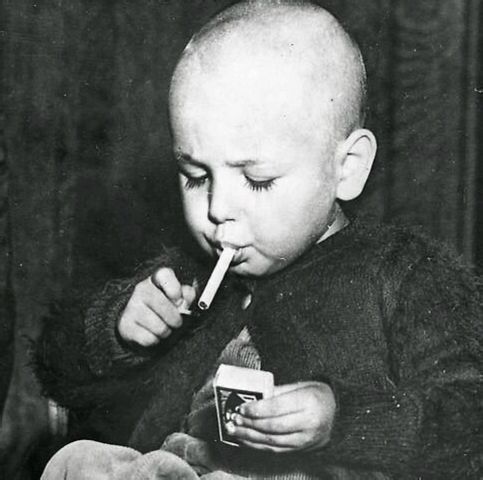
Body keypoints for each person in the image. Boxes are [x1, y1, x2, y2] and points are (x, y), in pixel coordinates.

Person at [37, 1, 483, 479]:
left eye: (257, 180)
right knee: (78, 461)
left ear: (347, 168)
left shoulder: (405, 273)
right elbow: (57, 375)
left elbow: (468, 421)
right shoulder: (187, 277)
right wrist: (117, 329)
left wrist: (344, 420)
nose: (217, 209)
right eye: (195, 176)